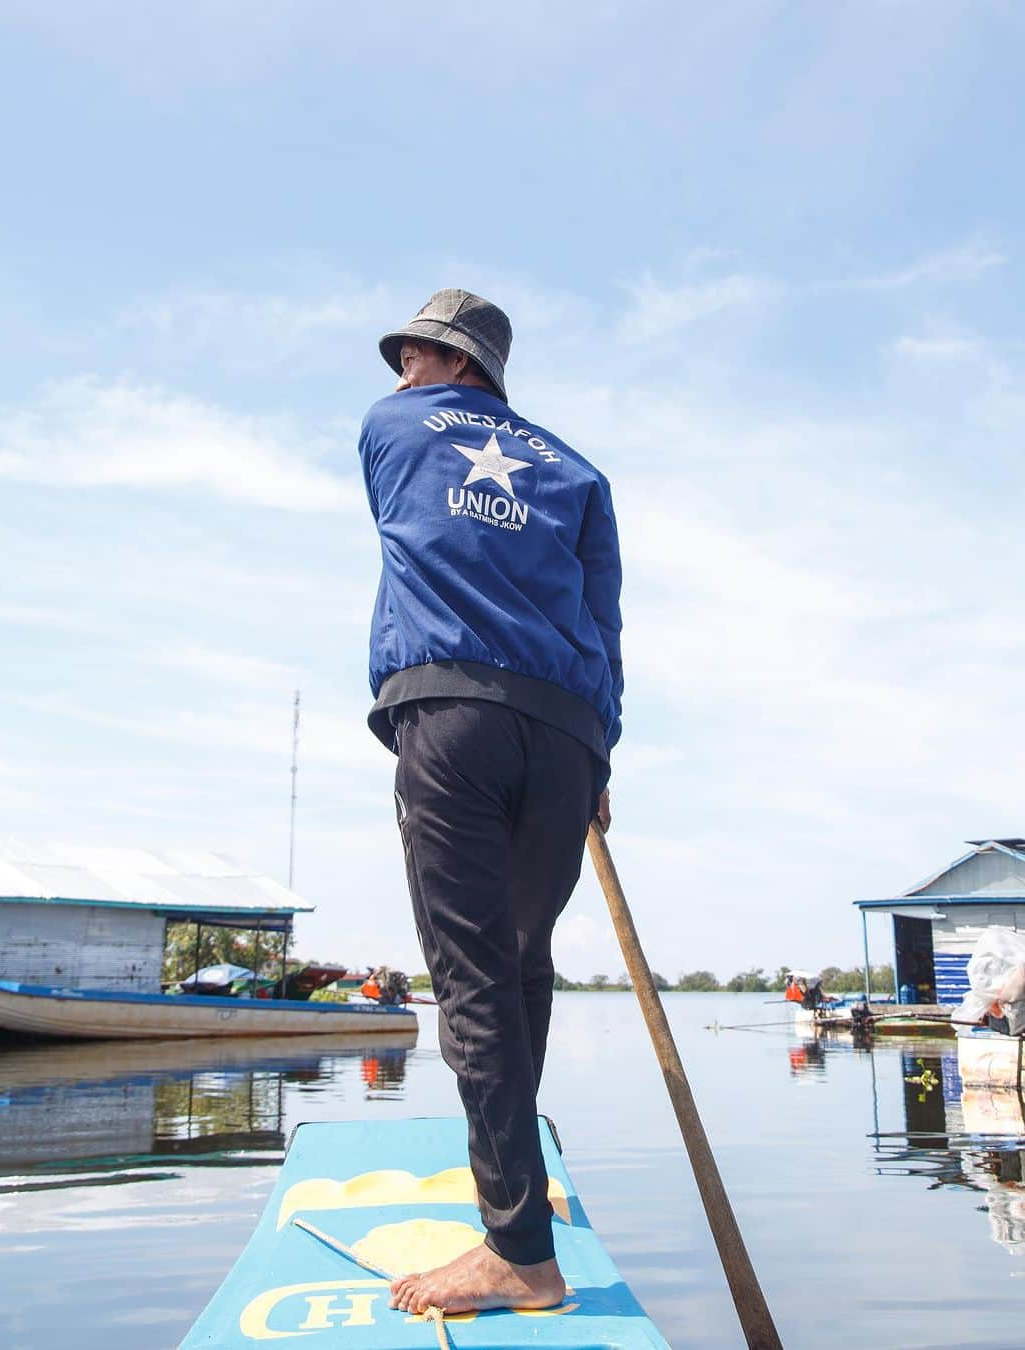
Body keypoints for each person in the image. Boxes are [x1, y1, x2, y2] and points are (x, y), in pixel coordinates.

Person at [358, 288, 623, 1315]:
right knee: (521, 968)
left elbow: (419, 527)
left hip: (454, 711)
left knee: (475, 983)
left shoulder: (391, 425)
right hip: (567, 731)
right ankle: (516, 1213)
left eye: (415, 355)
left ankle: (518, 1249)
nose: (401, 375)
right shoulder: (583, 472)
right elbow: (602, 622)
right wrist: (600, 763)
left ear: (458, 363)